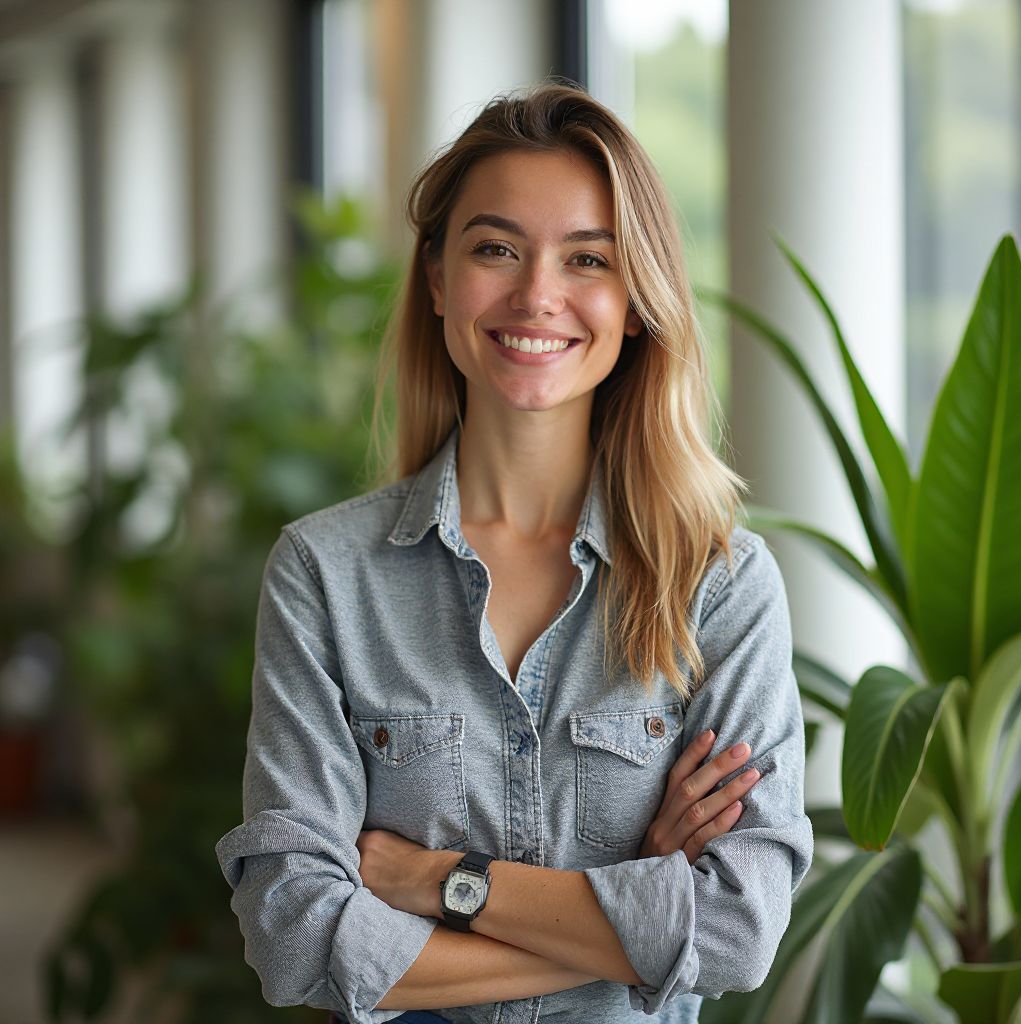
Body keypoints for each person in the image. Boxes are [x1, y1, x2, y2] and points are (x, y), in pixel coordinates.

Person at [215, 81, 813, 1024]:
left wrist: (437, 881)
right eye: (496, 248)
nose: (538, 294)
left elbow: (736, 935)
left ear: (636, 300)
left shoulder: (719, 585)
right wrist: (637, 907)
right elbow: (296, 938)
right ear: (440, 278)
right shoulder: (325, 575)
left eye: (588, 259)